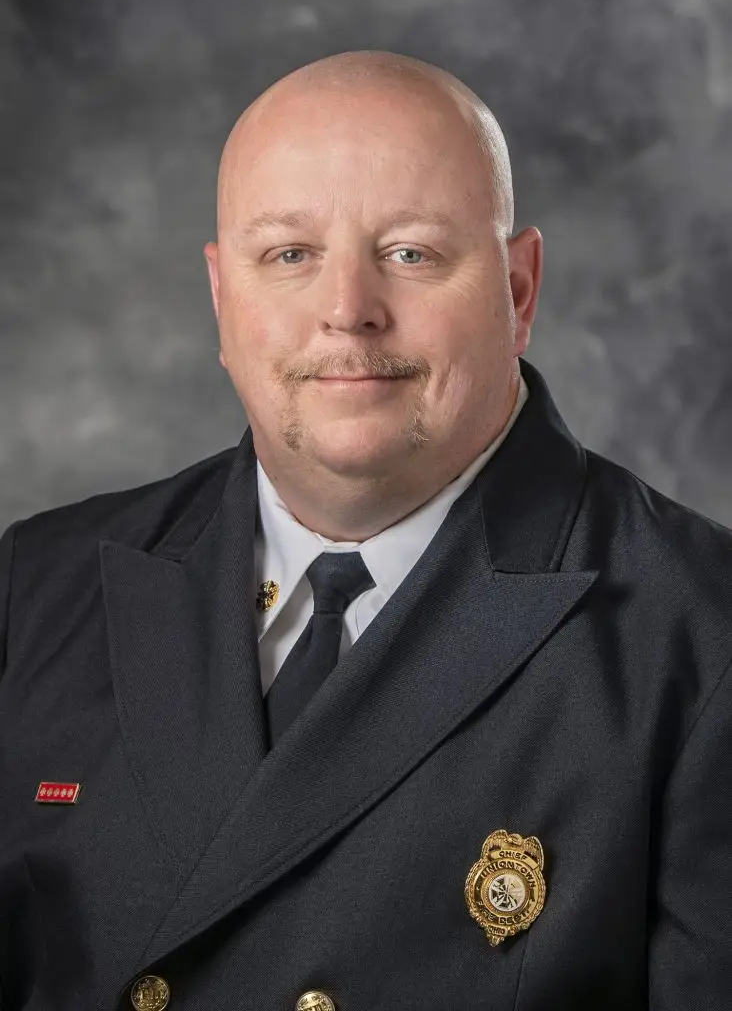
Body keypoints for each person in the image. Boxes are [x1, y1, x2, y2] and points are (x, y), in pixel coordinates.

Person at [0, 49, 730, 1011]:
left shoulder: (704, 637)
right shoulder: (34, 590)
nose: (348, 313)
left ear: (517, 292)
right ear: (223, 300)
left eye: (411, 253)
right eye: (290, 256)